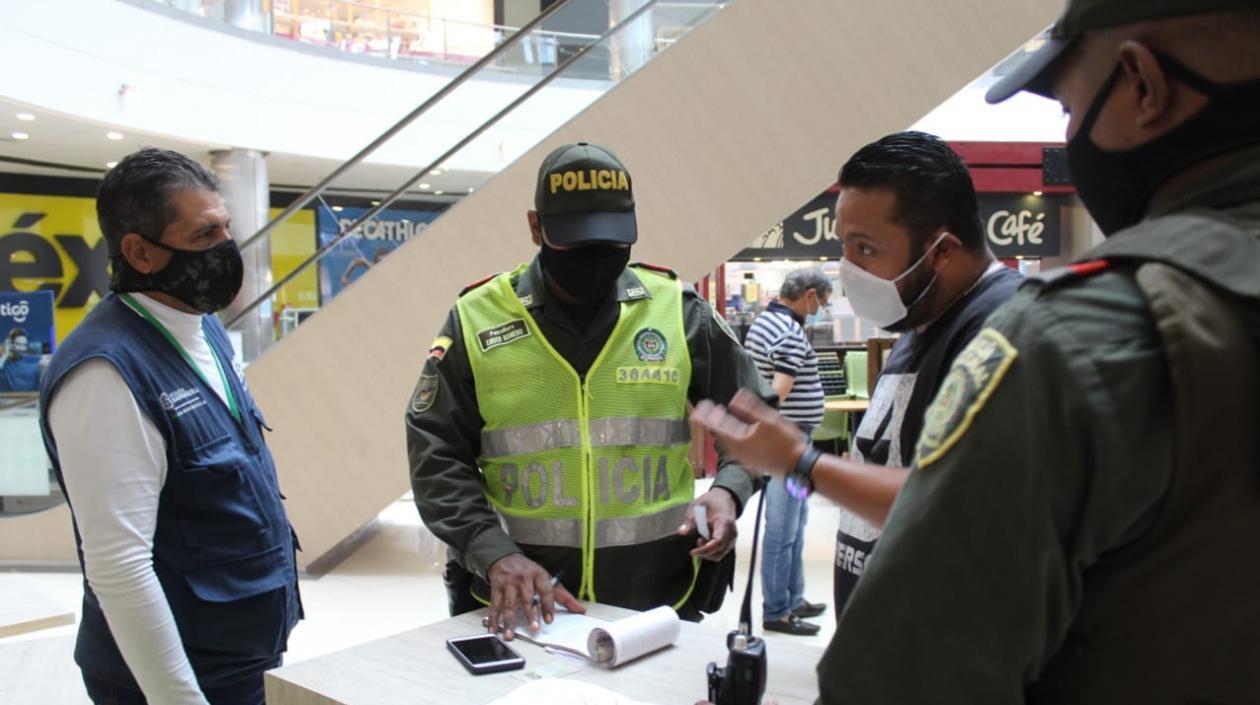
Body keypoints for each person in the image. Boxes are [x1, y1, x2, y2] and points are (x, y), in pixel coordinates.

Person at [708, 1, 1260, 701]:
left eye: (1067, 105)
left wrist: (802, 463)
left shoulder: (1056, 337)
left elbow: (911, 662)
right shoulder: (923, 328)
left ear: (1143, 84)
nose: (847, 271)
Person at [406, 142, 771, 638]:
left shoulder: (678, 311)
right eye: (578, 246)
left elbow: (755, 421)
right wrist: (492, 552)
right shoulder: (478, 318)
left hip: (658, 600)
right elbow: (436, 451)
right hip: (524, 605)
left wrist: (730, 489)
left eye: (614, 244)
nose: (598, 260)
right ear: (536, 228)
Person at [39, 148, 302, 705]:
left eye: (226, 228)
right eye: (205, 236)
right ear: (139, 252)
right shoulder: (105, 373)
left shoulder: (201, 329)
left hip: (234, 653)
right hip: (173, 675)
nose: (228, 249)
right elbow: (119, 566)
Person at [827, 131, 1023, 614]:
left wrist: (801, 464)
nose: (847, 268)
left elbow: (951, 505)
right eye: (843, 245)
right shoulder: (920, 316)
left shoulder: (1003, 328)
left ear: (942, 250)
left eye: (866, 249)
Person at [743, 267, 832, 636]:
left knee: (796, 520)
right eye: (822, 302)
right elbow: (777, 390)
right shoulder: (789, 331)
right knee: (783, 526)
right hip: (789, 446)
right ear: (808, 295)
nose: (822, 309)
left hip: (792, 443)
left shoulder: (767, 322)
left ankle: (793, 598)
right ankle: (777, 610)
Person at [0, 327, 47, 392]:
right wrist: (5, 353)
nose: (21, 348)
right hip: (10, 399)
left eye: (24, 345)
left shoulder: (34, 360)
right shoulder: (4, 362)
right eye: (18, 344)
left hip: (32, 398)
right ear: (11, 344)